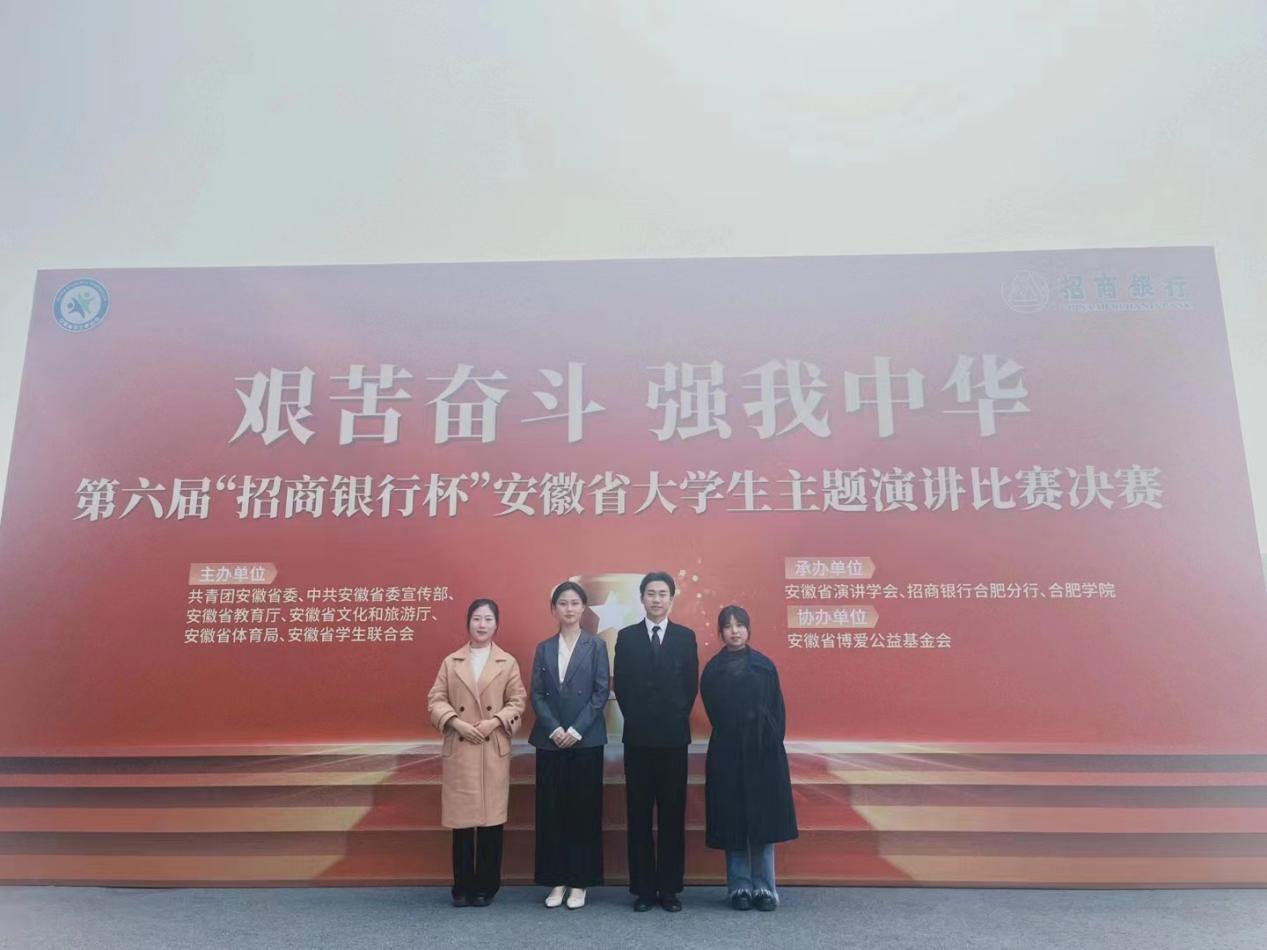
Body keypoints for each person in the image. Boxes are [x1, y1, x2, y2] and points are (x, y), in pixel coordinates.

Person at [427, 598, 527, 907]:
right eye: (477, 619)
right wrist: (456, 722)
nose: (482, 625)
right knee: (462, 823)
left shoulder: (507, 662)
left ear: (497, 624)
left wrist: (493, 722)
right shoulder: (451, 661)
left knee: (490, 821)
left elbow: (518, 701)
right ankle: (462, 886)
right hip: (461, 746)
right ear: (468, 622)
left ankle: (486, 886)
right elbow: (436, 699)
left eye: (488, 619)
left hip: (491, 745)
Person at [700, 605, 798, 912]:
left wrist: (768, 740)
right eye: (728, 626)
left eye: (740, 625)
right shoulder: (713, 670)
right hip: (728, 751)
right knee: (733, 820)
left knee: (762, 820)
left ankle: (765, 888)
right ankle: (739, 887)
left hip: (762, 752)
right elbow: (713, 711)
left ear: (748, 629)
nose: (734, 631)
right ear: (720, 632)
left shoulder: (764, 666)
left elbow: (777, 709)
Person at [613, 571, 699, 912]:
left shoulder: (685, 637)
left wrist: (672, 718)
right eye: (651, 593)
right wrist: (640, 719)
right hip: (638, 739)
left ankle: (670, 889)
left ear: (671, 599)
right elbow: (622, 686)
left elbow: (690, 686)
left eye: (663, 593)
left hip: (674, 739)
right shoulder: (627, 637)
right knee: (638, 815)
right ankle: (643, 890)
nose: (657, 599)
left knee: (672, 816)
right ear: (642, 598)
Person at [528, 581, 610, 909]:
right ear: (554, 609)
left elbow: (601, 693)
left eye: (575, 602)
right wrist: (554, 729)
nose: (569, 608)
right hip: (550, 741)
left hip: (586, 740)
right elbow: (536, 693)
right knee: (552, 813)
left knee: (583, 812)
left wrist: (575, 730)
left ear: (584, 607)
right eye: (563, 603)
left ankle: (580, 882)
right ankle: (556, 880)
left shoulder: (596, 646)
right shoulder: (544, 648)